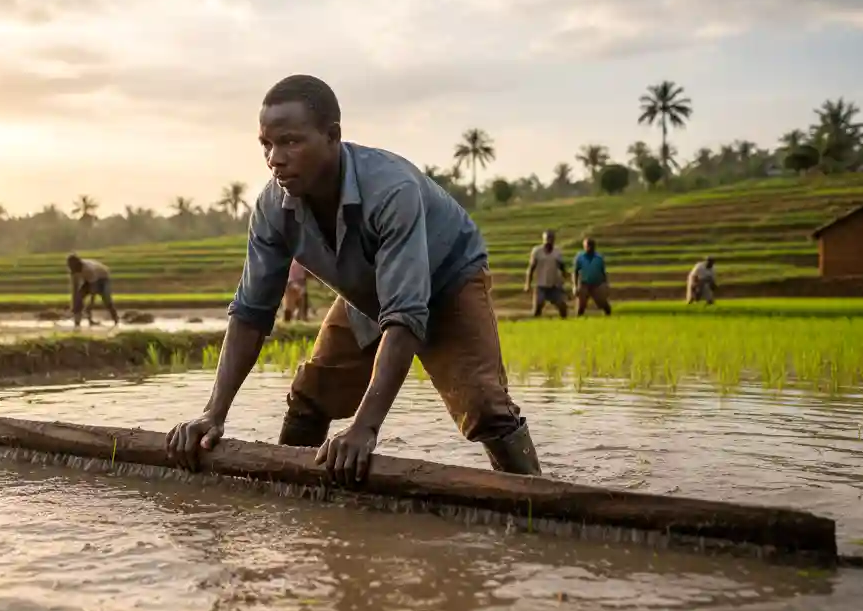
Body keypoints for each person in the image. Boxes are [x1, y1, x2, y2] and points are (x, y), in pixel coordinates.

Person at [166, 74, 542, 484]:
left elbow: (405, 315)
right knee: (311, 397)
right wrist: (213, 413)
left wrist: (365, 428)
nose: (275, 157)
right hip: (368, 292)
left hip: (447, 280)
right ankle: (294, 501)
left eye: (290, 141)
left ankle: (538, 505)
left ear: (332, 136)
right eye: (267, 145)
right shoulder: (272, 207)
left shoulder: (390, 189)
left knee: (485, 406)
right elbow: (251, 315)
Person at [524, 228, 569, 319]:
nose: (548, 241)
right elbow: (531, 268)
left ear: (554, 240)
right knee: (537, 308)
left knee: (562, 307)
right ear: (543, 239)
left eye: (551, 238)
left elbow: (562, 267)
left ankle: (565, 325)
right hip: (541, 285)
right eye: (547, 238)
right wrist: (527, 284)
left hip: (554, 285)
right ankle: (535, 326)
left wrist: (567, 280)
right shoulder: (537, 251)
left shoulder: (557, 252)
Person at [66, 253, 119, 327]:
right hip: (90, 280)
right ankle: (78, 321)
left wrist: (90, 304)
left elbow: (93, 290)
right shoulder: (73, 271)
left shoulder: (87, 269)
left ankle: (115, 319)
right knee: (79, 297)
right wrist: (74, 304)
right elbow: (75, 289)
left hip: (103, 278)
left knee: (106, 299)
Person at [572, 238, 612, 317]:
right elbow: (575, 272)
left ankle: (609, 317)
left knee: (603, 303)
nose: (589, 248)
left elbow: (603, 272)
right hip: (584, 284)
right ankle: (579, 321)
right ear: (584, 246)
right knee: (581, 306)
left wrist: (605, 284)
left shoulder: (599, 258)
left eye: (591, 246)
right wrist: (575, 285)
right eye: (587, 246)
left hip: (596, 284)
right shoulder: (579, 257)